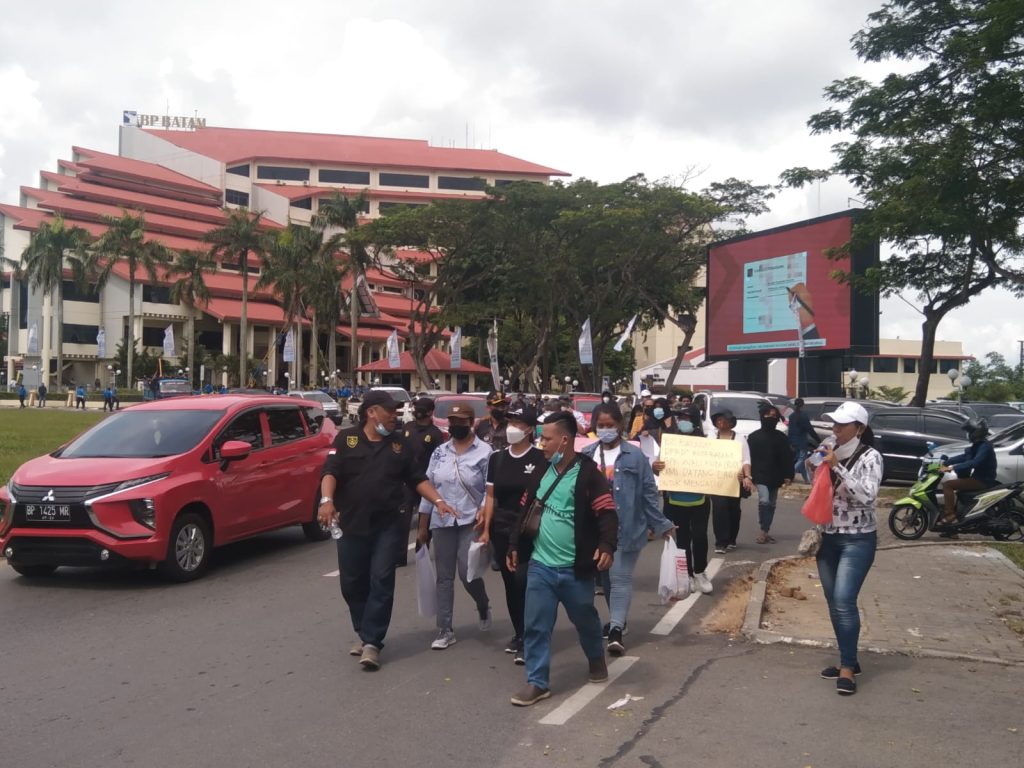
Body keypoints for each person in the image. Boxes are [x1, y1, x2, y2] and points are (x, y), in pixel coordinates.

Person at [318, 390, 456, 671]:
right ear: (371, 412)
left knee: (381, 579)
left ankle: (372, 642)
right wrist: (327, 500)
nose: (394, 416)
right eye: (389, 411)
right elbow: (330, 471)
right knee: (352, 583)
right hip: (352, 523)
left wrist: (439, 501)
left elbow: (417, 478)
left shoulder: (399, 445)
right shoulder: (346, 439)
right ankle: (364, 630)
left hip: (389, 524)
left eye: (396, 411)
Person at [507, 411, 618, 706]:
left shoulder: (588, 474)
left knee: (585, 618)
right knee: (536, 624)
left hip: (575, 570)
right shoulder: (540, 471)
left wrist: (606, 546)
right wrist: (514, 545)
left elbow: (606, 513)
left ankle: (596, 659)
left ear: (565, 440)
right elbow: (524, 511)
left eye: (547, 438)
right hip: (541, 567)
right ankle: (537, 682)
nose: (541, 443)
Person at [583, 403, 674, 655]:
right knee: (605, 581)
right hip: (593, 531)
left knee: (619, 578)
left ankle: (615, 631)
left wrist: (661, 524)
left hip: (626, 528)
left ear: (620, 426)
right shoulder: (587, 455)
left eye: (610, 425)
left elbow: (648, 494)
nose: (605, 430)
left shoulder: (635, 457)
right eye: (600, 426)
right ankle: (617, 620)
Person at [815, 401, 883, 696]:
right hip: (827, 537)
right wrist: (812, 464)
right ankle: (850, 659)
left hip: (858, 539)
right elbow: (810, 481)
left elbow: (867, 496)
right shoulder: (829, 449)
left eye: (842, 425)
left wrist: (837, 467)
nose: (835, 429)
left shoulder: (871, 457)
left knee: (844, 600)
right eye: (834, 424)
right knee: (833, 602)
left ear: (859, 428)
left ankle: (846, 669)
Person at [417, 402, 492, 650]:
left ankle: (482, 604)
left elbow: (489, 490)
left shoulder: (485, 452)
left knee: (467, 573)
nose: (455, 426)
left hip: (471, 519)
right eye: (452, 421)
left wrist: (484, 510)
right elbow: (428, 487)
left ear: (471, 423)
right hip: (442, 521)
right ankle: (445, 628)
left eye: (461, 422)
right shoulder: (440, 452)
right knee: (444, 577)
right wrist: (422, 526)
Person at [478, 404, 546, 664]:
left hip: (530, 529)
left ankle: (532, 636)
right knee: (510, 584)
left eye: (518, 424)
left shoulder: (540, 459)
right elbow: (491, 496)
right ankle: (520, 633)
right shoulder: (497, 458)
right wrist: (486, 529)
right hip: (502, 530)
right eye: (510, 423)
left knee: (525, 581)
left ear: (529, 429)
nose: (512, 429)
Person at [663, 405, 714, 594]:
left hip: (700, 499)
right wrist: (657, 466)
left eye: (687, 417)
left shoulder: (705, 442)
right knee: (682, 540)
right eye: (681, 417)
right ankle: (688, 576)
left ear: (695, 420)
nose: (683, 420)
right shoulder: (670, 440)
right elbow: (660, 464)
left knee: (700, 536)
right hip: (676, 499)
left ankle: (700, 572)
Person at [396, 397, 446, 566]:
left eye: (422, 408)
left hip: (426, 482)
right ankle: (399, 556)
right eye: (417, 407)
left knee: (427, 518)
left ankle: (421, 550)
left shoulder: (435, 434)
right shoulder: (407, 428)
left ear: (431, 412)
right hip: (407, 483)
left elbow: (439, 460)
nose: (418, 411)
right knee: (402, 520)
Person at [746, 404, 794, 544]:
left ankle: (765, 531)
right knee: (764, 500)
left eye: (774, 416)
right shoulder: (753, 437)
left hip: (776, 475)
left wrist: (788, 475)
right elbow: (747, 458)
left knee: (772, 504)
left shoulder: (781, 437)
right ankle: (763, 529)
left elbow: (787, 457)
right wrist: (748, 475)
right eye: (768, 415)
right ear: (762, 416)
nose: (771, 418)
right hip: (759, 475)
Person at [939, 418, 997, 525]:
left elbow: (975, 462)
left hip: (983, 480)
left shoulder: (985, 446)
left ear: (977, 432)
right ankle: (953, 529)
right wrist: (945, 463)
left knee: (948, 485)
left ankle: (950, 515)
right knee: (959, 492)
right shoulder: (978, 445)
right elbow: (965, 456)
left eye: (970, 431)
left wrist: (952, 468)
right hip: (977, 478)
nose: (968, 434)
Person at [708, 410, 753, 553]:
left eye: (725, 420)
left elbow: (746, 459)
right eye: (719, 420)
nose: (722, 423)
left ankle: (731, 538)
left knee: (733, 510)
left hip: (735, 480)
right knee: (719, 509)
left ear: (731, 423)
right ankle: (720, 542)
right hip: (716, 480)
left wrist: (747, 476)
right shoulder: (711, 437)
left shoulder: (739, 439)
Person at [788, 398, 814, 483]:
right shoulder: (804, 416)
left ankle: (807, 479)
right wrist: (817, 439)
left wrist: (789, 441)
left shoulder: (791, 416)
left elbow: (790, 430)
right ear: (803, 405)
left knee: (801, 460)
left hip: (794, 441)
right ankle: (789, 474)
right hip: (802, 441)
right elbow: (809, 429)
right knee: (802, 459)